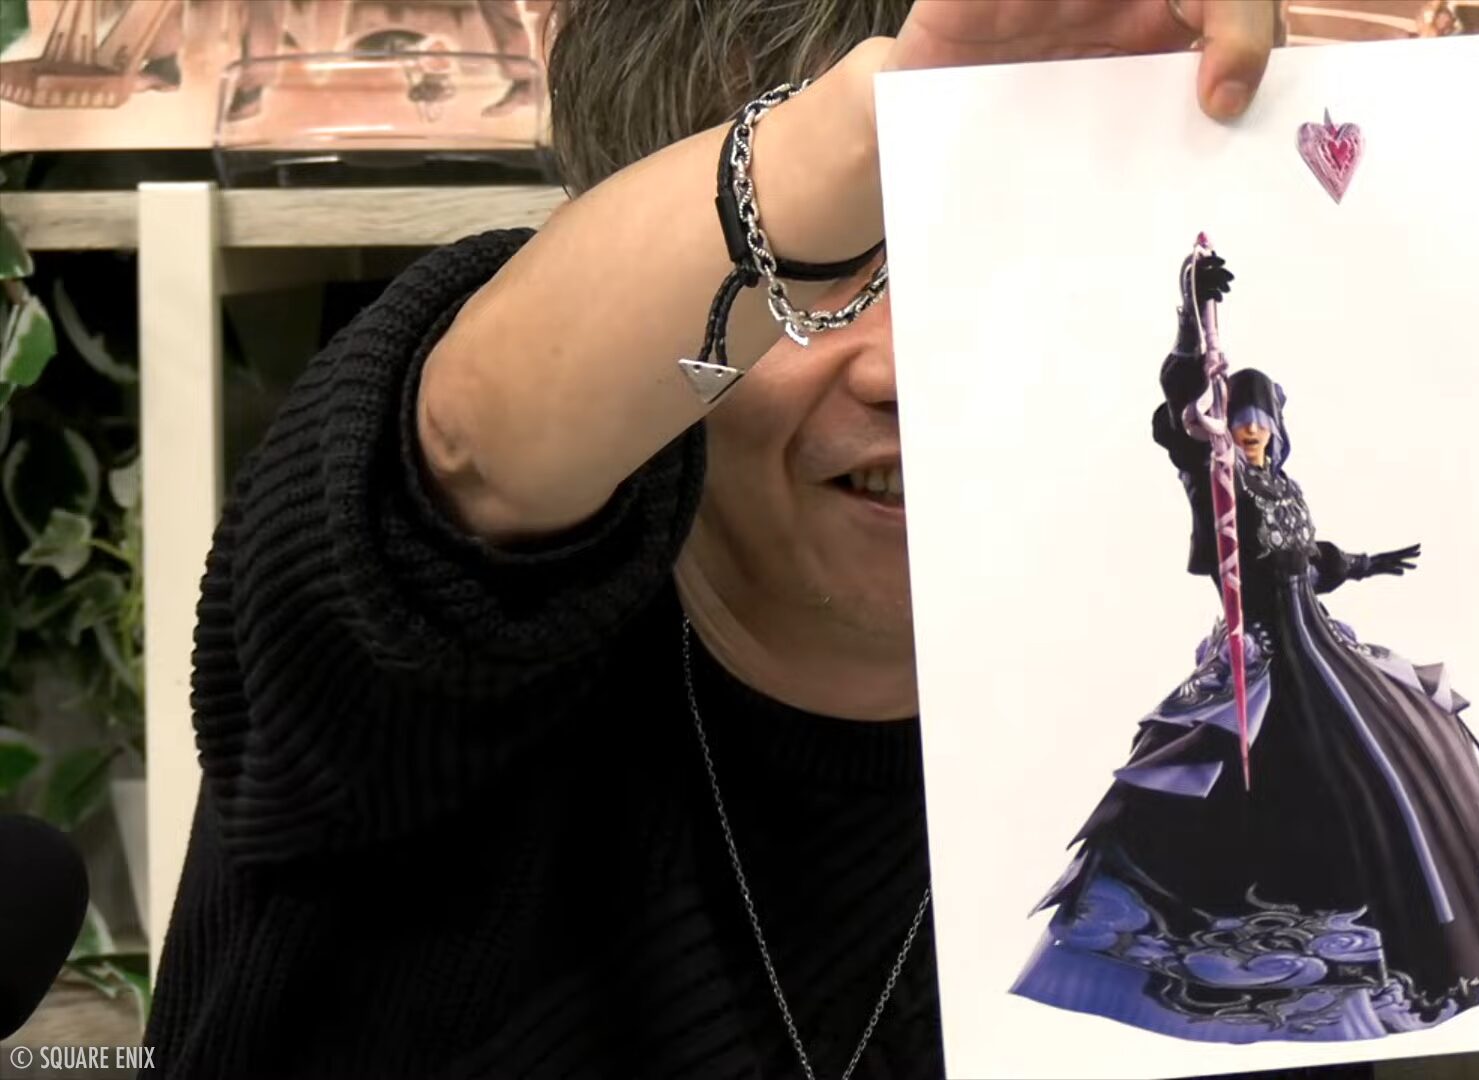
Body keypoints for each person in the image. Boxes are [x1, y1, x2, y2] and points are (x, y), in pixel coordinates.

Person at [140, 1, 1377, 1077]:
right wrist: (853, 131)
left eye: (990, 249)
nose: (903, 366)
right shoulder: (423, 657)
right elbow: (467, 448)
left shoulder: (1229, 755)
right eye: (821, 277)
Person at [1010, 249, 1479, 1042]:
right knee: (1263, 788)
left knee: (1406, 765)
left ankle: (1421, 958)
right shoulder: (1215, 474)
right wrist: (1193, 313)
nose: (1252, 431)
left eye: (1262, 420)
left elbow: (1304, 559)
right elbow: (1184, 401)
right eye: (1241, 419)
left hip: (1320, 644)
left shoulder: (1280, 485)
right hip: (1264, 655)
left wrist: (1363, 563)